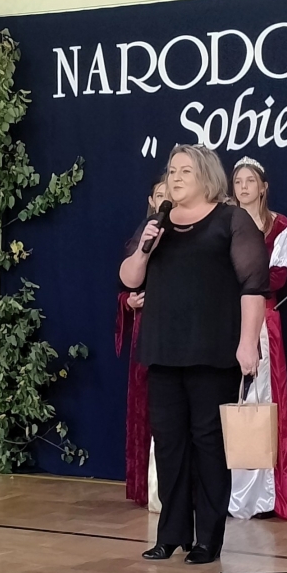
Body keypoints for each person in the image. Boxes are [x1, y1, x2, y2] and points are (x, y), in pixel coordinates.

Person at [120, 145, 269, 564]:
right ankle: (171, 534)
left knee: (209, 444)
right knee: (169, 443)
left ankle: (208, 538)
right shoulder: (157, 222)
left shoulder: (231, 220)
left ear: (206, 176)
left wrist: (247, 343)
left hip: (212, 350)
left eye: (185, 171)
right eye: (172, 171)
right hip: (163, 349)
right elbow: (129, 278)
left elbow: (254, 286)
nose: (176, 178)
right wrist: (145, 248)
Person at [229, 156, 287, 521]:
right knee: (225, 400)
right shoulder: (223, 221)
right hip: (223, 316)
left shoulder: (279, 227)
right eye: (238, 181)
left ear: (263, 187)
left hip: (261, 319)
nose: (243, 187)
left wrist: (240, 280)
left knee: (258, 401)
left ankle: (259, 496)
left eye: (250, 181)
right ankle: (222, 492)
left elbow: (277, 278)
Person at [116, 177, 166, 509]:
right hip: (147, 331)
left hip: (177, 327)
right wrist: (129, 301)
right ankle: (146, 486)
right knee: (145, 406)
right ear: (151, 200)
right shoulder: (142, 236)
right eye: (160, 195)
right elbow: (125, 285)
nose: (165, 199)